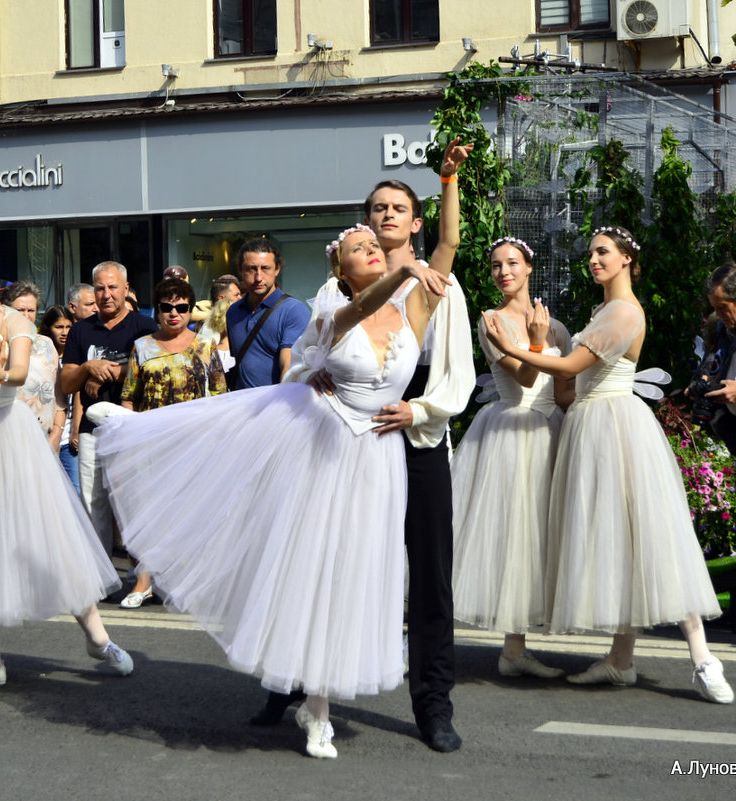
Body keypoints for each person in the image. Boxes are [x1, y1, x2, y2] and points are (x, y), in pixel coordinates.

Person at [96, 210, 460, 759]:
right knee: (319, 574)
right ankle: (316, 712)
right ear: (342, 267)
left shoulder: (412, 305)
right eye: (362, 247)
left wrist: (450, 182)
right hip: (329, 451)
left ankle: (321, 692)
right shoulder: (336, 308)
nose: (375, 250)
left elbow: (448, 243)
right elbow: (359, 309)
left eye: (376, 246)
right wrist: (403, 270)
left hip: (380, 460)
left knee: (358, 579)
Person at [258, 142, 475, 754]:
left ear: (415, 221)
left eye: (399, 207)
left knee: (428, 579)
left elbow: (453, 369)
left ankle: (433, 705)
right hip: (346, 443)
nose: (386, 214)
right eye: (376, 207)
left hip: (417, 438)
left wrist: (420, 409)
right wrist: (314, 377)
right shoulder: (335, 294)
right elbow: (308, 354)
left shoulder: (437, 287)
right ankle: (291, 685)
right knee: (320, 561)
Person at [483, 225, 734, 704]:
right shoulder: (603, 309)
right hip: (591, 424)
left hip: (616, 427)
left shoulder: (622, 310)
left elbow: (570, 367)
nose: (594, 260)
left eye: (604, 253)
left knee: (650, 538)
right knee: (621, 541)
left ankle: (703, 658)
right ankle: (621, 660)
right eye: (592, 253)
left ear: (626, 260)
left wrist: (514, 346)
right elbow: (568, 385)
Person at [0, 239, 133, 692]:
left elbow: (17, 372)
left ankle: (97, 638)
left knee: (46, 533)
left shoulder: (12, 317)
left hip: (5, 432)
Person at [451, 236, 573, 678]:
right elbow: (523, 380)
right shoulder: (490, 322)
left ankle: (515, 648)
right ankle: (513, 649)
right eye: (496, 265)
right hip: (513, 432)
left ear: (528, 268)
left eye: (512, 264)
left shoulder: (554, 324)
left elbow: (564, 387)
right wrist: (537, 344)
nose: (504, 272)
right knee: (514, 534)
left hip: (549, 431)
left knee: (542, 532)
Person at [114, 278, 227, 609]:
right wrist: (128, 441)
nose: (174, 313)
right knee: (149, 514)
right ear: (157, 310)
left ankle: (189, 583)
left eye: (181, 307)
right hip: (150, 446)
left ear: (191, 310)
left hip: (195, 446)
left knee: (192, 514)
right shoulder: (141, 347)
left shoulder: (205, 347)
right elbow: (128, 399)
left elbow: (220, 396)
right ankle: (144, 581)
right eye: (167, 307)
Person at [61, 261, 157, 555]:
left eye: (112, 287)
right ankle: (103, 577)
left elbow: (156, 368)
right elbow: (66, 383)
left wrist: (118, 371)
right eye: (99, 288)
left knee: (136, 500)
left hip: (134, 425)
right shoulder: (80, 331)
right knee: (93, 502)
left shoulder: (144, 327)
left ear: (125, 289)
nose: (106, 294)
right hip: (92, 429)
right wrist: (88, 368)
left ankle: (140, 573)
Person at [692, 263, 736, 632]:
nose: (719, 315)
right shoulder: (722, 329)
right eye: (716, 308)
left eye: (723, 307)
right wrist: (701, 386)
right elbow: (713, 369)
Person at [225, 239, 310, 389]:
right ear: (240, 270)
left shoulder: (293, 310)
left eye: (265, 268)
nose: (258, 277)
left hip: (276, 405)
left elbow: (289, 368)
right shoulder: (233, 312)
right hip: (241, 405)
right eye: (251, 269)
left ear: (277, 269)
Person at [2, 281, 66, 450]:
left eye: (31, 310)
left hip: (44, 441)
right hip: (6, 438)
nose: (26, 315)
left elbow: (59, 396)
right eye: (20, 310)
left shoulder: (47, 344)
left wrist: (56, 434)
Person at [41, 304, 79, 488]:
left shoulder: (77, 355)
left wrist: (75, 431)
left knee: (75, 490)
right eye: (59, 327)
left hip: (70, 434)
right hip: (45, 430)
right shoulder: (41, 356)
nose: (64, 332)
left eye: (68, 327)